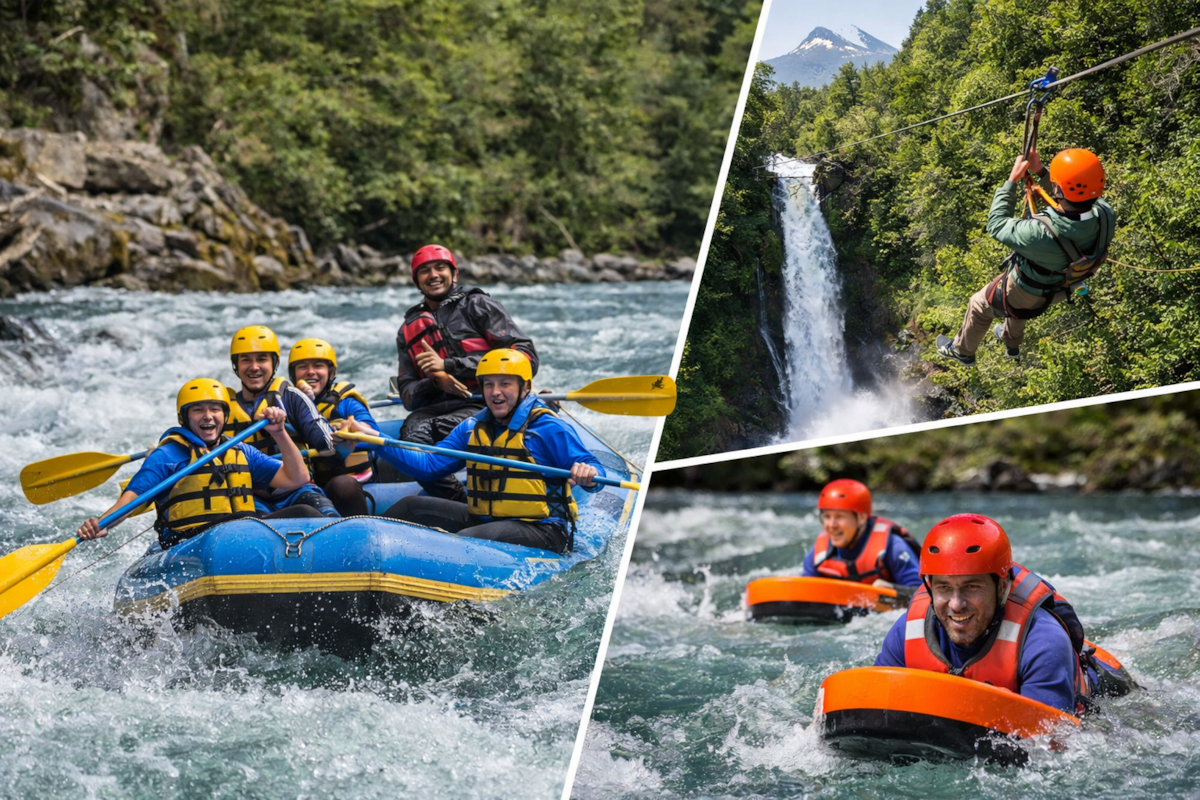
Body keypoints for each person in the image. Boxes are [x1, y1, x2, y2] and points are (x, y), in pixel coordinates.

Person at [339, 348, 602, 554]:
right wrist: (376, 439)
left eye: (505, 384)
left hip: (542, 529)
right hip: (483, 517)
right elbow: (428, 466)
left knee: (463, 541)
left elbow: (593, 469)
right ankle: (357, 554)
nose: (495, 393)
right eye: (488, 384)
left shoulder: (547, 427)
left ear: (525, 388)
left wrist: (587, 473)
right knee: (410, 507)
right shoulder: (472, 426)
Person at [875, 513, 1129, 713]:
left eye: (971, 587)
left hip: (1110, 694)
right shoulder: (907, 632)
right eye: (943, 588)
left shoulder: (1043, 642)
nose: (956, 604)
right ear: (929, 587)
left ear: (1003, 585)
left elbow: (1050, 747)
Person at [76, 377, 324, 549]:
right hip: (191, 543)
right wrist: (101, 524)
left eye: (215, 409)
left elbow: (296, 478)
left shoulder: (241, 451)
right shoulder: (166, 455)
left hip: (241, 537)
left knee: (305, 513)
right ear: (184, 418)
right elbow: (129, 501)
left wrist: (279, 433)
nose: (208, 416)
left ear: (224, 415)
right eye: (198, 410)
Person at [937, 148, 1117, 365]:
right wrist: (1040, 171)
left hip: (1032, 289)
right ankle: (1011, 344)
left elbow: (995, 225)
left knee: (979, 304)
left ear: (1058, 187)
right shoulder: (1106, 214)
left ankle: (962, 352)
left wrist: (1012, 180)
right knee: (1018, 308)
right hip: (1065, 285)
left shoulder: (1038, 233)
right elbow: (1072, 197)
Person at [393, 244, 539, 500]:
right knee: (412, 437)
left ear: (455, 274)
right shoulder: (408, 328)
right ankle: (459, 502)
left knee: (446, 428)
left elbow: (526, 356)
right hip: (436, 407)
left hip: (484, 401)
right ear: (416, 281)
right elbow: (408, 395)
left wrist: (449, 366)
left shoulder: (478, 305)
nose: (434, 275)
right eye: (425, 271)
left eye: (440, 268)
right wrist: (437, 382)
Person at [224, 325, 339, 517]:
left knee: (325, 514)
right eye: (246, 360)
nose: (254, 367)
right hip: (250, 495)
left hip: (299, 490)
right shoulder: (222, 408)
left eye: (262, 359)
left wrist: (300, 414)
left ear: (274, 363)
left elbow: (327, 445)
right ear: (236, 365)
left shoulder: (292, 397)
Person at [288, 337, 380, 517]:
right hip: (310, 488)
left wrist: (342, 436)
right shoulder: (288, 407)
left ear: (331, 372)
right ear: (293, 375)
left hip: (352, 482)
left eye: (318, 366)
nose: (310, 372)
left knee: (342, 485)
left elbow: (371, 431)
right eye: (302, 367)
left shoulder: (345, 403)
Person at [801, 479, 921, 589]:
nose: (831, 525)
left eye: (839, 517)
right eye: (827, 516)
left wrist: (895, 591)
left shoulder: (894, 547)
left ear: (862, 517)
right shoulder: (820, 552)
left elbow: (921, 594)